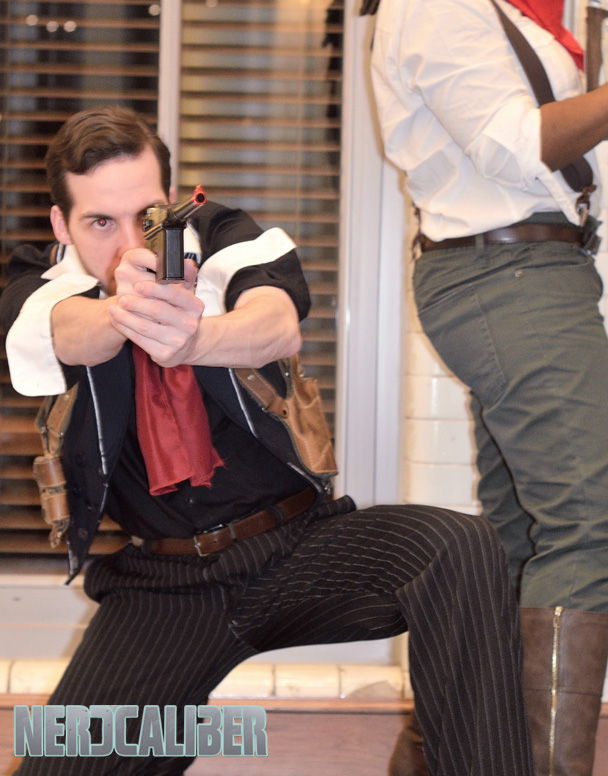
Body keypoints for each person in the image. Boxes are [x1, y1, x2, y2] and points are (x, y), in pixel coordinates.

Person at [1, 105, 534, 775]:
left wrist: (194, 338)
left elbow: (276, 322)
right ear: (61, 225)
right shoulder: (41, 285)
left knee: (458, 546)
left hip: (296, 548)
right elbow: (64, 332)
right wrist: (124, 313)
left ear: (171, 198)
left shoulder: (221, 234)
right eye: (100, 223)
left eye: (147, 214)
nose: (131, 240)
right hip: (163, 587)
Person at [358, 0, 608, 776]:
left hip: (513, 274)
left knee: (521, 545)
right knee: (591, 525)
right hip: (506, 276)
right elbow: (521, 145)